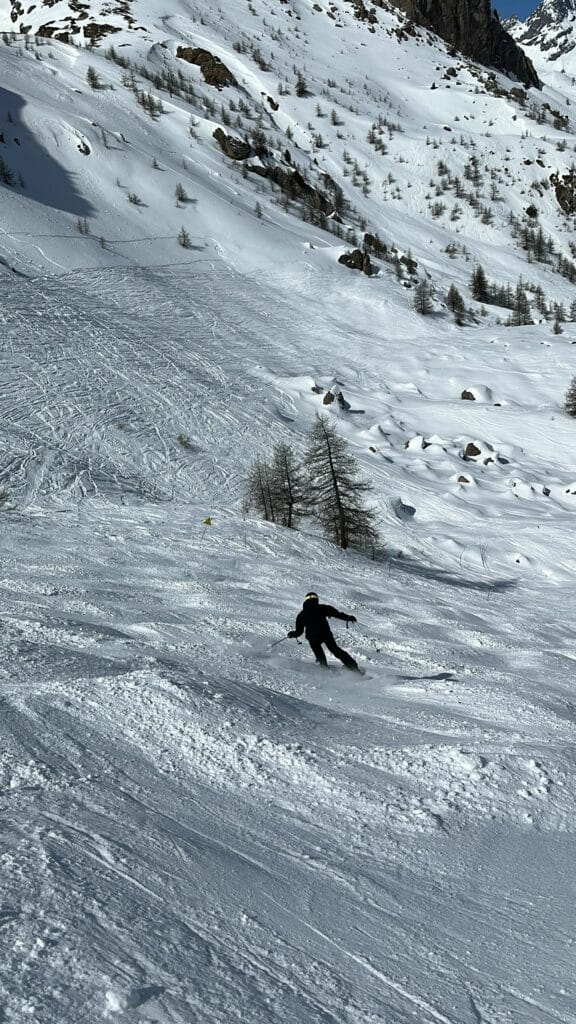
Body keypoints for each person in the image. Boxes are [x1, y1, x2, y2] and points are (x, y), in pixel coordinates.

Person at [288, 592, 360, 672]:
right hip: (325, 634)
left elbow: (299, 632)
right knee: (336, 650)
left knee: (319, 653)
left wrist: (292, 634)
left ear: (305, 600)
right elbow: (337, 614)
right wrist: (348, 617)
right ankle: (355, 669)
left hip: (312, 637)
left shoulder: (301, 615)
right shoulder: (322, 608)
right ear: (316, 599)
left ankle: (324, 669)